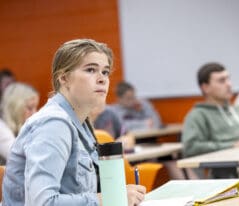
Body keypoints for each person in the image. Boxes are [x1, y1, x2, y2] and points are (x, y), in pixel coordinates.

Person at [2, 39, 146, 206]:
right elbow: (42, 203)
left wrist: (117, 195)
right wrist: (108, 199)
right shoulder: (54, 124)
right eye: (91, 70)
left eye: (105, 72)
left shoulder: (81, 122)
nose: (102, 79)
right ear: (64, 78)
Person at [181, 62, 239, 178]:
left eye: (228, 79)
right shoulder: (198, 115)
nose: (229, 84)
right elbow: (191, 147)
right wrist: (233, 145)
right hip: (234, 173)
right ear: (205, 87)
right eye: (222, 81)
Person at [0, 82, 39, 164]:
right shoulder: (1, 129)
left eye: (35, 108)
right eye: (30, 108)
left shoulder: (16, 128)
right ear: (15, 107)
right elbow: (22, 159)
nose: (35, 113)